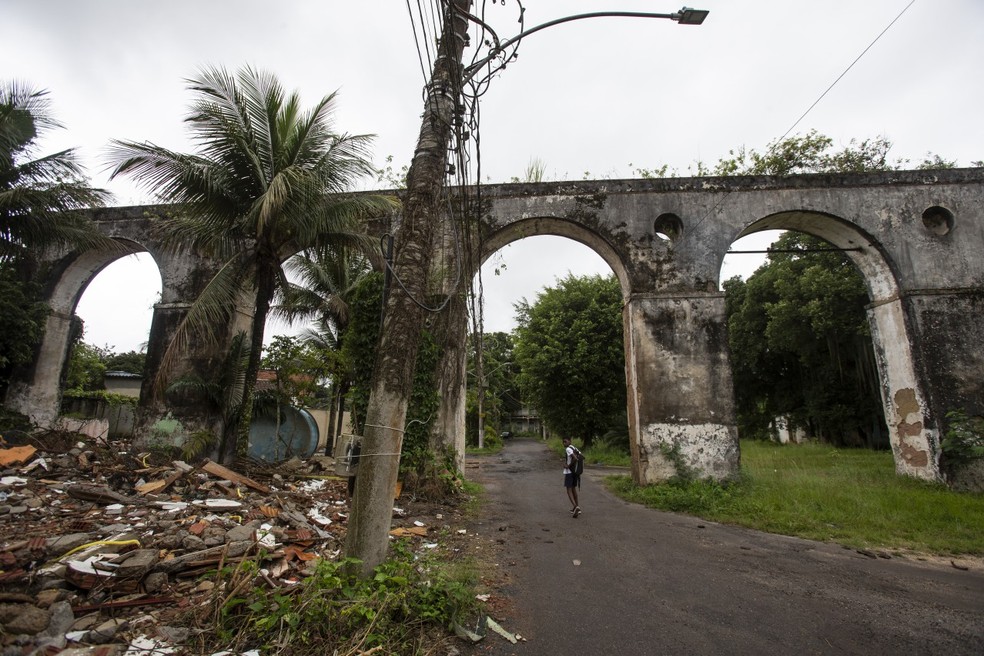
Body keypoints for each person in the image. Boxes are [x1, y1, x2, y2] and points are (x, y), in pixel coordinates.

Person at [562, 437, 581, 517]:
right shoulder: (575, 448)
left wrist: (568, 466)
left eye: (565, 441)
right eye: (563, 442)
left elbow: (575, 458)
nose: (564, 443)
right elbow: (579, 457)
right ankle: (577, 507)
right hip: (575, 472)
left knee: (568, 490)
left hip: (569, 472)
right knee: (573, 489)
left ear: (570, 441)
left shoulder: (568, 449)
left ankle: (575, 506)